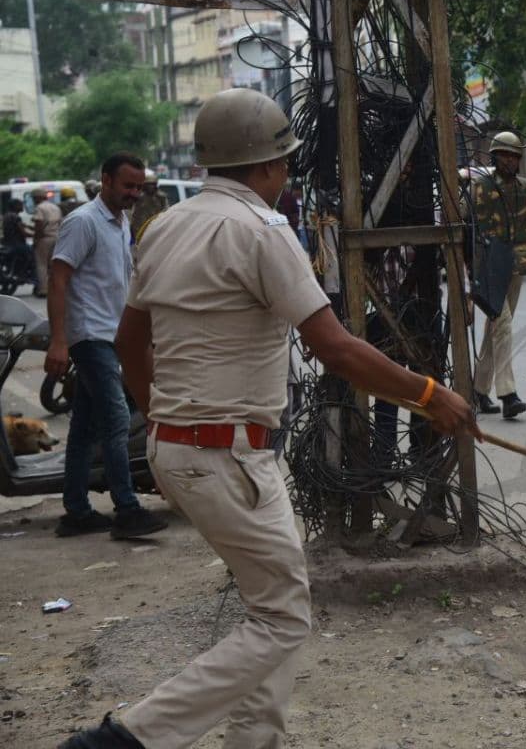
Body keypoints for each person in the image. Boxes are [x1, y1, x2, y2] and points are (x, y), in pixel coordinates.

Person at [60, 88, 478, 749]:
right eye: (283, 163)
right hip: (228, 456)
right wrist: (429, 394)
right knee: (282, 619)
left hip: (191, 449)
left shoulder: (164, 225)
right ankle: (128, 738)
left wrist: (159, 424)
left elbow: (127, 343)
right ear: (266, 168)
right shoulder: (262, 230)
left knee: (275, 608)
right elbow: (335, 347)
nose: (285, 175)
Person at [45, 153, 168, 540]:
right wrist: (59, 340)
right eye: (128, 186)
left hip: (111, 335)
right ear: (106, 180)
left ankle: (77, 512)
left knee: (84, 428)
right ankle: (127, 510)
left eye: (138, 186)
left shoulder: (120, 222)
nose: (134, 193)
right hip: (90, 336)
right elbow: (58, 279)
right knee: (116, 420)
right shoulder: (83, 222)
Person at [467, 130, 526, 419]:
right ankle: (508, 394)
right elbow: (467, 230)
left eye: (516, 156)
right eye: (506, 155)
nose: (512, 161)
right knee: (501, 326)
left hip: (515, 266)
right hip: (488, 266)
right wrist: (468, 274)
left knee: (495, 330)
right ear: (495, 156)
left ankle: (478, 390)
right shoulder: (480, 187)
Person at [32, 186, 63, 297]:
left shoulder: (39, 208)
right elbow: (60, 223)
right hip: (56, 237)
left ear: (37, 198)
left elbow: (39, 225)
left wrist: (36, 239)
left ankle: (44, 289)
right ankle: (55, 288)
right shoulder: (55, 207)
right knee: (53, 265)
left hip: (44, 239)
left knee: (41, 264)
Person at [130, 170, 169, 243]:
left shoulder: (161, 197)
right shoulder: (138, 196)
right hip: (139, 227)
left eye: (152, 184)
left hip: (155, 226)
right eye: (148, 184)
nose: (150, 186)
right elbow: (131, 211)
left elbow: (166, 210)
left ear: (155, 185)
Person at [2, 199, 35, 285]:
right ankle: (25, 275)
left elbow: (23, 226)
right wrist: (36, 235)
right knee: (33, 254)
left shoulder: (7, 215)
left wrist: (31, 228)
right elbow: (23, 232)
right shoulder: (15, 217)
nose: (22, 206)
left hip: (8, 243)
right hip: (17, 244)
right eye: (20, 205)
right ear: (15, 206)